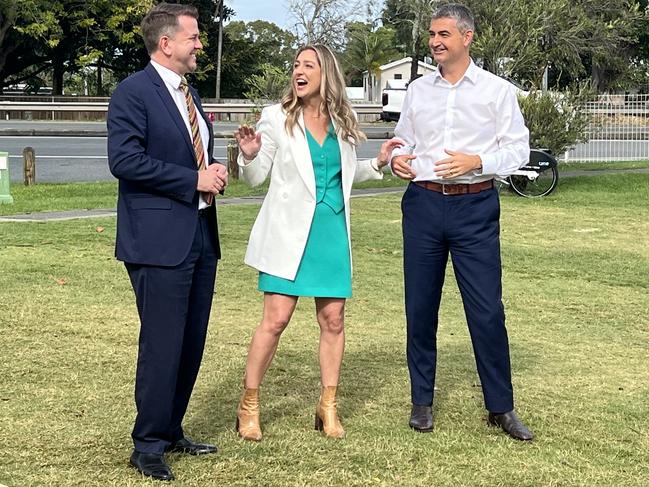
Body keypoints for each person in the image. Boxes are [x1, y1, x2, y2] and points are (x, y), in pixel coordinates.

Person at [233, 44, 403, 441]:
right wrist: (249, 156)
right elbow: (257, 178)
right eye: (295, 65)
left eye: (308, 65)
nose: (298, 71)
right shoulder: (275, 118)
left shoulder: (344, 120)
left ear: (326, 73)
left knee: (334, 320)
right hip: (288, 233)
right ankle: (249, 404)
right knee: (274, 321)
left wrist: (376, 164)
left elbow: (340, 174)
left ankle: (327, 405)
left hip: (331, 232)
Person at [390, 4, 534, 441]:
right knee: (420, 306)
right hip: (424, 205)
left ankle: (501, 407)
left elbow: (519, 151)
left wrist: (479, 161)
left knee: (487, 311)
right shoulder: (418, 90)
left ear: (466, 38)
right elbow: (404, 139)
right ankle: (422, 402)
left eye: (444, 34)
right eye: (432, 34)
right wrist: (398, 158)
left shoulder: (496, 91)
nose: (435, 41)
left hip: (475, 209)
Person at [107, 3, 228, 481]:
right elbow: (125, 161)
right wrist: (193, 179)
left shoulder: (189, 93)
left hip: (199, 235)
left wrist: (213, 172)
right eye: (194, 37)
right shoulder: (133, 92)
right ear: (166, 43)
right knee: (162, 343)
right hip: (157, 241)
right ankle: (147, 445)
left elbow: (191, 151)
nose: (200, 45)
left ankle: (172, 428)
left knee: (190, 341)